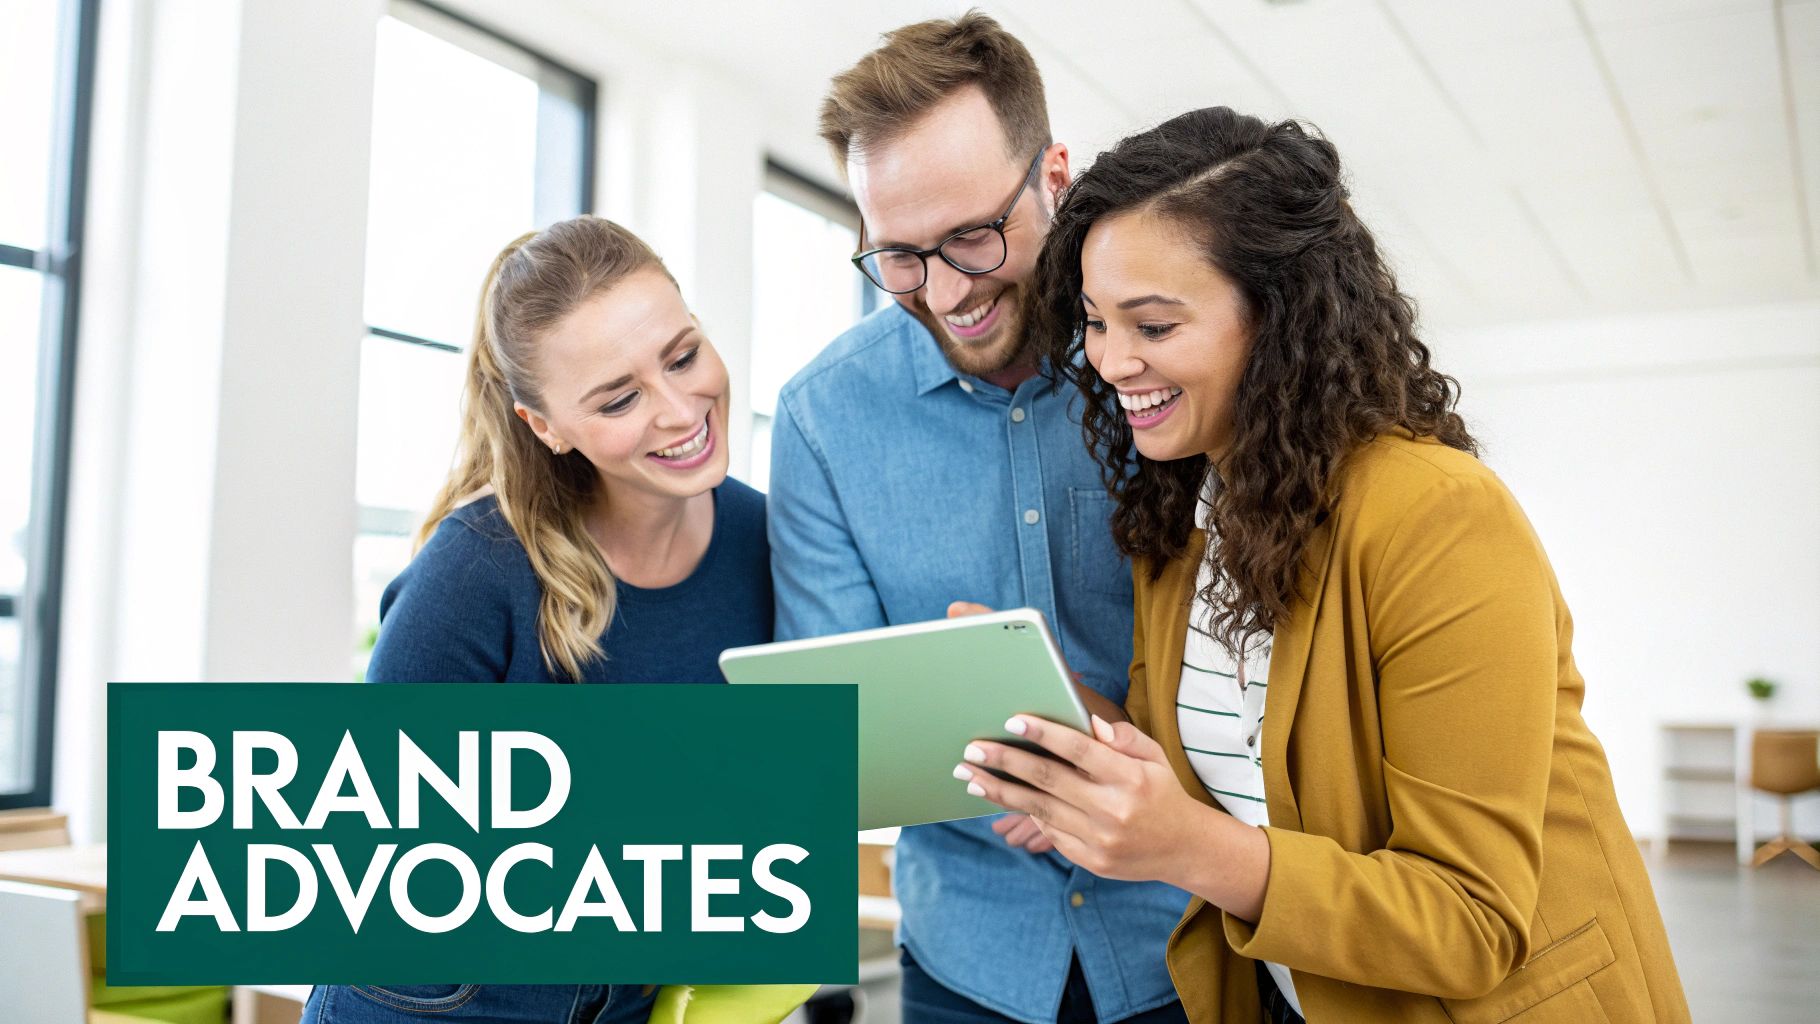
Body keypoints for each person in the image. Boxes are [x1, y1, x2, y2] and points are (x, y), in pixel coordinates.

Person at [955, 107, 1691, 1023]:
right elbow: (1211, 766)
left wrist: (1185, 847)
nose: (1110, 360)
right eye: (1098, 323)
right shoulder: (1185, 525)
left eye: (1152, 324)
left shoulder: (1438, 514)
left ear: (1279, 317)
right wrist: (1053, 708)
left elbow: (1469, 921)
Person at [769, 13, 1190, 1024]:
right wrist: (1000, 768)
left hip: (1190, 932)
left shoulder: (1166, 360)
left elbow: (1271, 660)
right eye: (899, 256)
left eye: (971, 236)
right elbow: (828, 726)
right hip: (968, 958)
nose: (947, 290)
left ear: (1053, 174)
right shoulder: (822, 417)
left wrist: (1123, 754)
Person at [302, 215, 772, 1023]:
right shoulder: (476, 568)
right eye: (619, 399)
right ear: (545, 426)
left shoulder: (762, 542)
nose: (678, 409)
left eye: (684, 355)